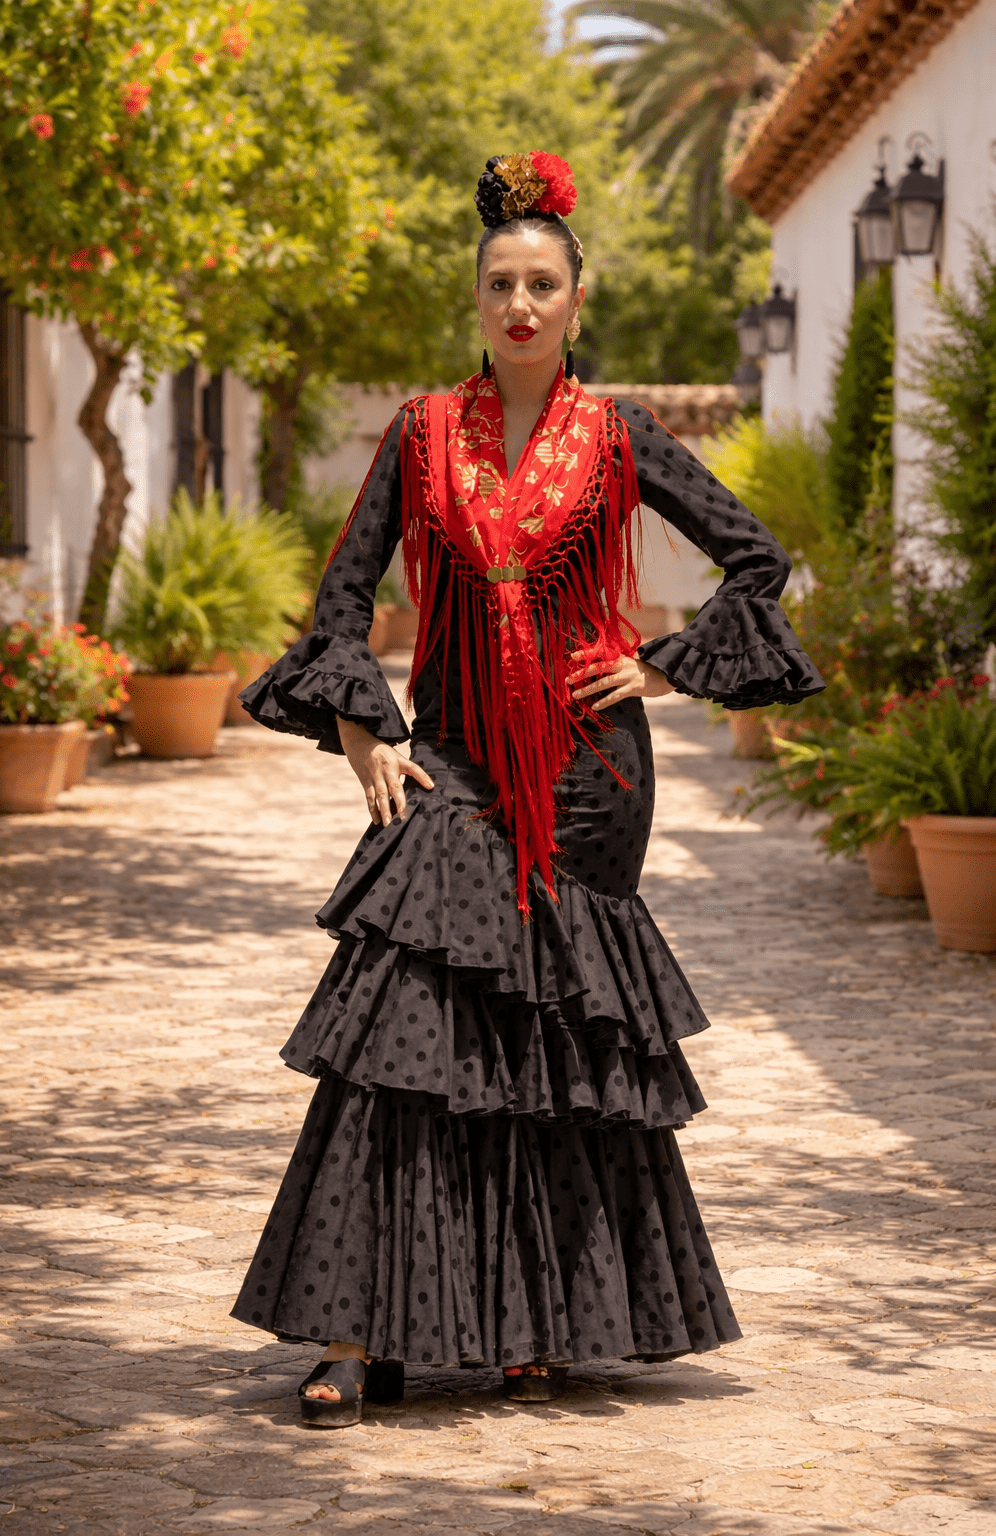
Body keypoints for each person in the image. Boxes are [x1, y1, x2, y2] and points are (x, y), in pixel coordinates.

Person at [230, 151, 824, 1427]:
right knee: (398, 1037)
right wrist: (364, 736)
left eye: (540, 285)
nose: (518, 303)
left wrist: (659, 666)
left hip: (590, 774)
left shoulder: (619, 433)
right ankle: (350, 1331)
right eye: (499, 282)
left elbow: (756, 559)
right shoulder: (420, 433)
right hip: (449, 759)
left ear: (574, 299)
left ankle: (536, 1326)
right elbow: (343, 596)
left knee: (555, 1046)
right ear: (477, 297)